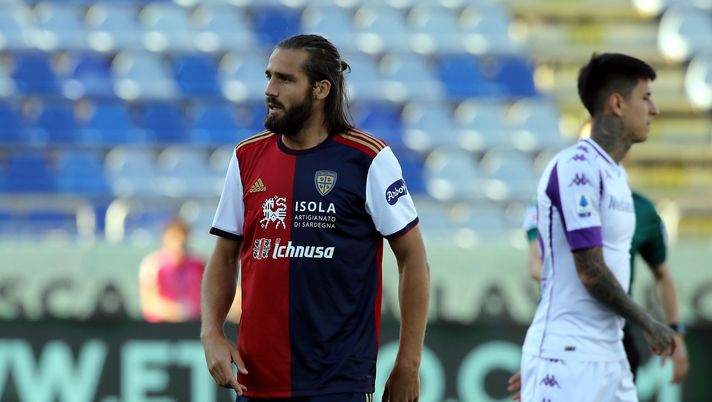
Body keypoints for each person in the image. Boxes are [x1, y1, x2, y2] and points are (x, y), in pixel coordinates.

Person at [200, 34, 430, 402]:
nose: (270, 89)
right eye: (269, 76)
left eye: (285, 79)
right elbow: (225, 255)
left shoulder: (369, 158)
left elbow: (413, 258)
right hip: (254, 380)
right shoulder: (246, 157)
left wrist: (409, 363)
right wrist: (210, 332)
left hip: (337, 383)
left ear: (322, 89)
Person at [516, 53, 676, 402]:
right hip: (569, 357)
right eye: (645, 97)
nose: (654, 109)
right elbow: (590, 270)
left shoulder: (616, 174)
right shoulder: (577, 167)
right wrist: (649, 322)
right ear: (617, 103)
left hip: (609, 355)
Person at [138, 217, 206, 322]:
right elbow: (149, 304)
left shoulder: (199, 264)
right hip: (161, 328)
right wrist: (179, 311)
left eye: (182, 238)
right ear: (165, 238)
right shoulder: (152, 264)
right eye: (174, 237)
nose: (179, 243)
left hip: (194, 328)